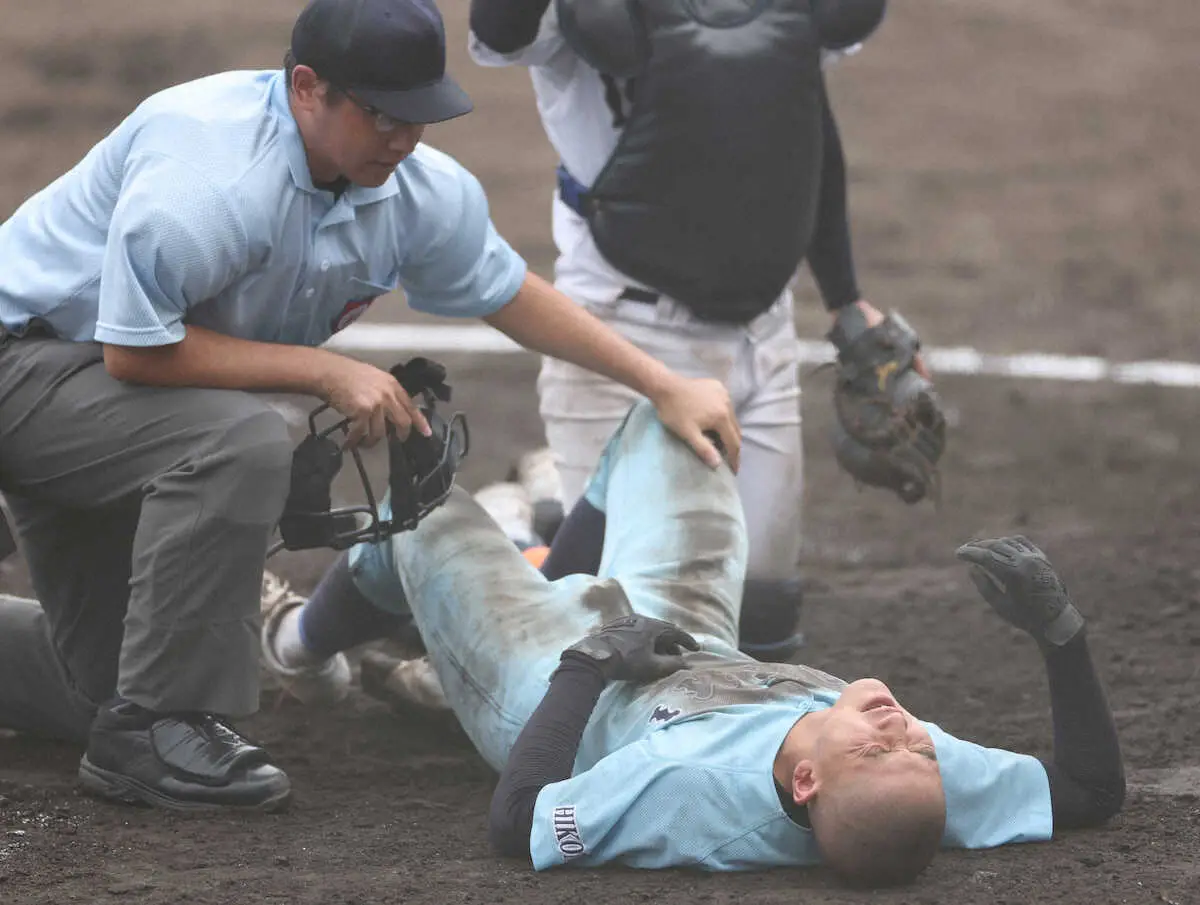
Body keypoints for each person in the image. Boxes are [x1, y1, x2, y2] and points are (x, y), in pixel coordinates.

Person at [0, 0, 740, 813]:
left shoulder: (411, 187)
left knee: (94, 688)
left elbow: (507, 293)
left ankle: (129, 702)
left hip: (108, 406)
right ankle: (155, 728)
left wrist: (659, 382)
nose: (405, 138)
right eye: (385, 114)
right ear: (308, 87)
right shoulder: (208, 181)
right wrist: (322, 371)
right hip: (24, 367)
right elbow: (133, 351)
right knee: (238, 438)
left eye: (422, 115)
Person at [267, 399, 1123, 886]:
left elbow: (516, 820)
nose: (905, 730)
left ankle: (299, 644)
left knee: (420, 513)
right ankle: (529, 555)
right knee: (677, 423)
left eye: (879, 747)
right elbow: (1089, 789)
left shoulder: (688, 790)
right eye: (922, 751)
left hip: (551, 687)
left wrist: (588, 663)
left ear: (807, 778)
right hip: (690, 640)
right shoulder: (906, 791)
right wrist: (1061, 635)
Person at [465, 0, 942, 661]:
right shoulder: (576, 16)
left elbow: (803, 124)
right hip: (621, 334)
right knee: (612, 635)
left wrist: (845, 300)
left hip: (760, 331)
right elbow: (498, 31)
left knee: (762, 622)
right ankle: (506, 536)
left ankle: (547, 507)